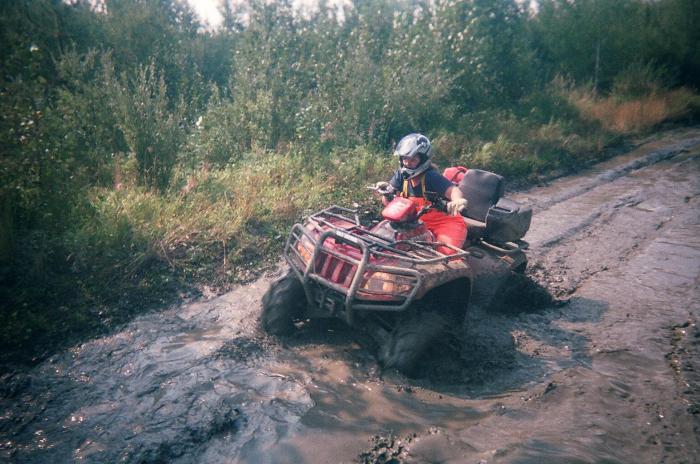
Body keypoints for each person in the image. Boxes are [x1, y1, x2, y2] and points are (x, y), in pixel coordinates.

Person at [376, 133, 468, 254]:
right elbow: (388, 204)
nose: (408, 163)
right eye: (405, 159)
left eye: (413, 159)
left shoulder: (431, 177)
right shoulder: (401, 176)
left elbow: (453, 190)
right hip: (414, 225)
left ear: (423, 160)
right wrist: (386, 193)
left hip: (444, 224)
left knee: (444, 255)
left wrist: (457, 200)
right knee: (384, 245)